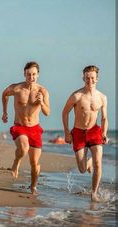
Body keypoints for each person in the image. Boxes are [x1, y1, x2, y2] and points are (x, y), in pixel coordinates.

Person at [2, 61, 50, 194]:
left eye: (34, 74)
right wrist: (5, 112)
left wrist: (41, 103)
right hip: (20, 126)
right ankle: (16, 161)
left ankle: (33, 187)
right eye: (29, 74)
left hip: (35, 128)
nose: (31, 77)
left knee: (34, 164)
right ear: (24, 74)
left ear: (38, 75)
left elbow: (47, 112)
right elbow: (4, 94)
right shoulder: (16, 88)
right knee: (23, 149)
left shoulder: (43, 91)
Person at [62, 65, 108, 202]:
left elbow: (104, 118)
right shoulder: (77, 96)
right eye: (87, 78)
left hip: (94, 131)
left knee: (98, 163)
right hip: (78, 132)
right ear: (83, 78)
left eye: (92, 78)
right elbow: (65, 113)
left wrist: (104, 132)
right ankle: (87, 164)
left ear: (97, 79)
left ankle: (94, 193)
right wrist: (66, 132)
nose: (90, 80)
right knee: (82, 169)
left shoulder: (102, 97)